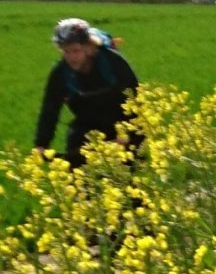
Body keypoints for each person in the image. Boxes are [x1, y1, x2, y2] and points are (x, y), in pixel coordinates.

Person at [36, 18, 142, 169]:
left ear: (89, 46)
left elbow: (136, 97)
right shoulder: (60, 73)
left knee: (127, 176)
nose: (71, 57)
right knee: (75, 169)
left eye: (76, 51)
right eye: (66, 51)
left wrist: (127, 134)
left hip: (124, 123)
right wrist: (41, 144)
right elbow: (50, 110)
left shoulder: (112, 62)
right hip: (88, 126)